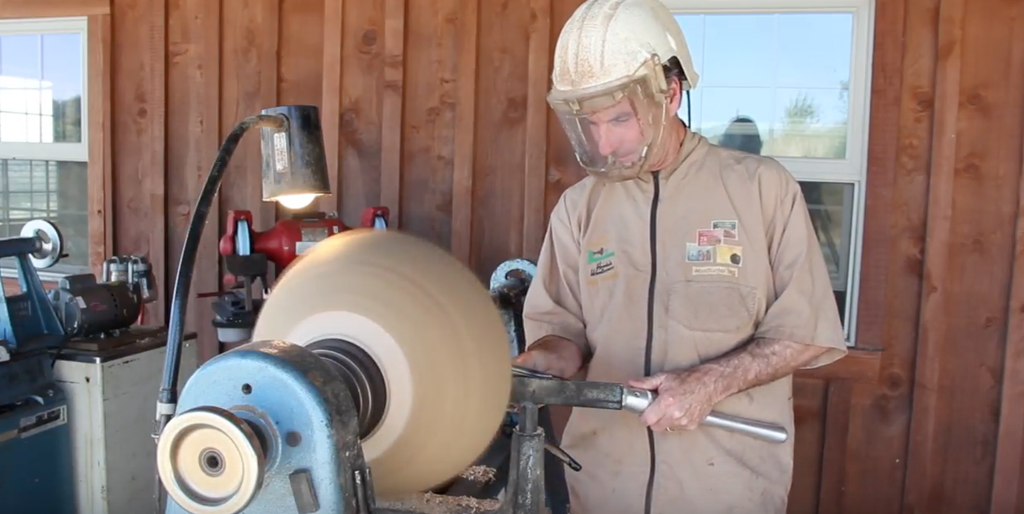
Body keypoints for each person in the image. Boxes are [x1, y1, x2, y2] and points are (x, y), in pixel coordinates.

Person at [512, 0, 848, 513]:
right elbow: (563, 332)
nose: (605, 143)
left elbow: (806, 331)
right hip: (605, 487)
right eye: (590, 124)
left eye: (620, 119)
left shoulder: (761, 190)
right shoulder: (580, 208)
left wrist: (710, 383)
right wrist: (541, 361)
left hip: (725, 490)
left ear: (670, 94)